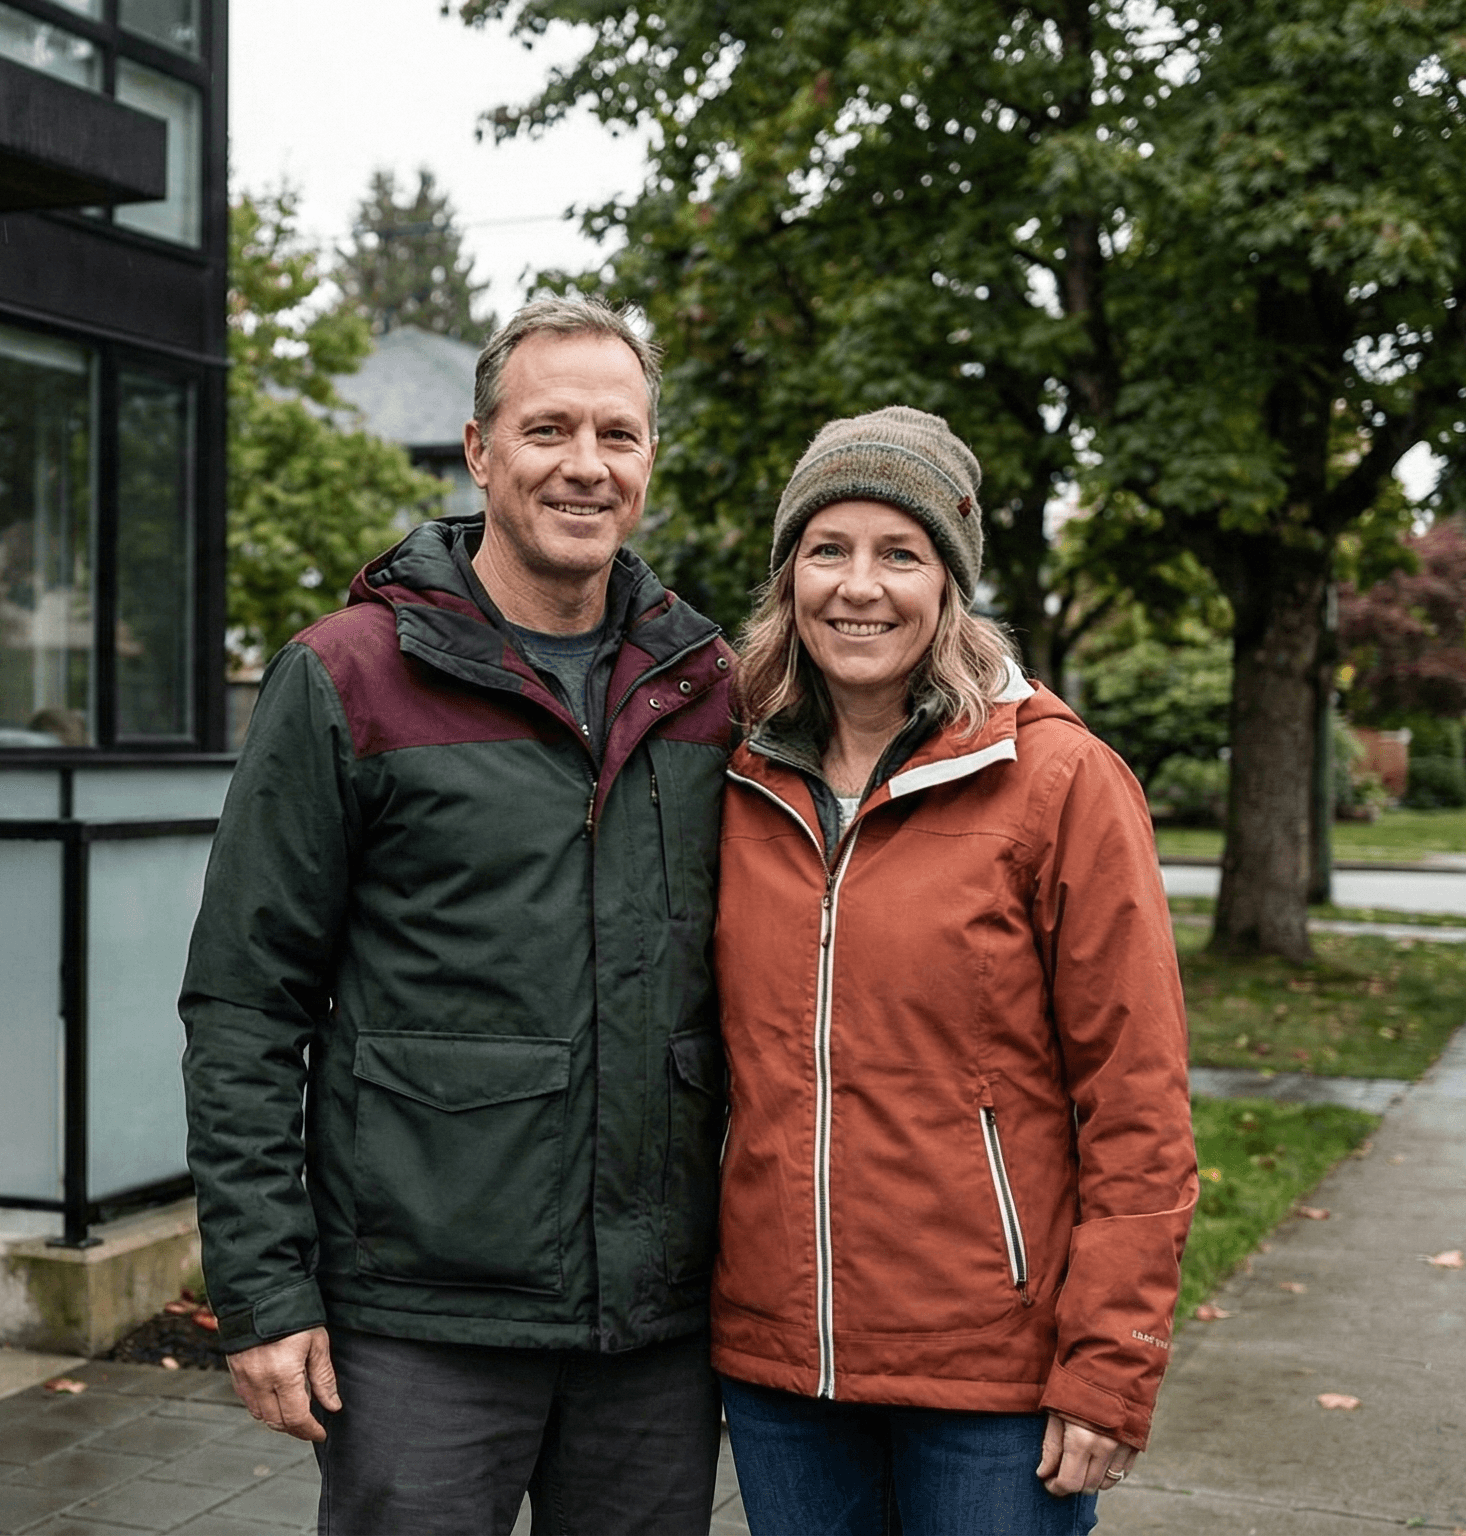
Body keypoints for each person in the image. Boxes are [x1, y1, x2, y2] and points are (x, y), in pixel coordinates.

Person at [180, 298, 734, 1536]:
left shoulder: (711, 689)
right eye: (549, 429)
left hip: (651, 1327)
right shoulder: (348, 678)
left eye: (619, 435)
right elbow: (244, 1007)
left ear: (649, 461)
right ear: (480, 450)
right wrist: (266, 1295)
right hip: (416, 1324)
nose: (586, 466)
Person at [710, 406, 1198, 1535]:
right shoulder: (732, 776)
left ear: (951, 583)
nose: (859, 586)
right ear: (789, 578)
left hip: (991, 1377)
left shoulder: (1058, 779)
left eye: (901, 553)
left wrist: (1112, 1361)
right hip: (783, 1367)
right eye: (827, 550)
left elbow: (1136, 1096)